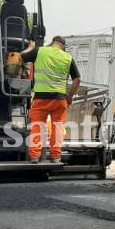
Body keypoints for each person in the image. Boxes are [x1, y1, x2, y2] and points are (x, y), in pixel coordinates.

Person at [20, 35, 81, 163]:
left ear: (52, 43)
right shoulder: (68, 57)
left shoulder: (40, 51)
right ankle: (56, 156)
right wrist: (69, 96)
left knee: (37, 126)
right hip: (59, 99)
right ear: (63, 47)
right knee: (58, 127)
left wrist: (30, 47)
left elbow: (21, 57)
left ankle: (35, 156)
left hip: (41, 98)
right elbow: (77, 79)